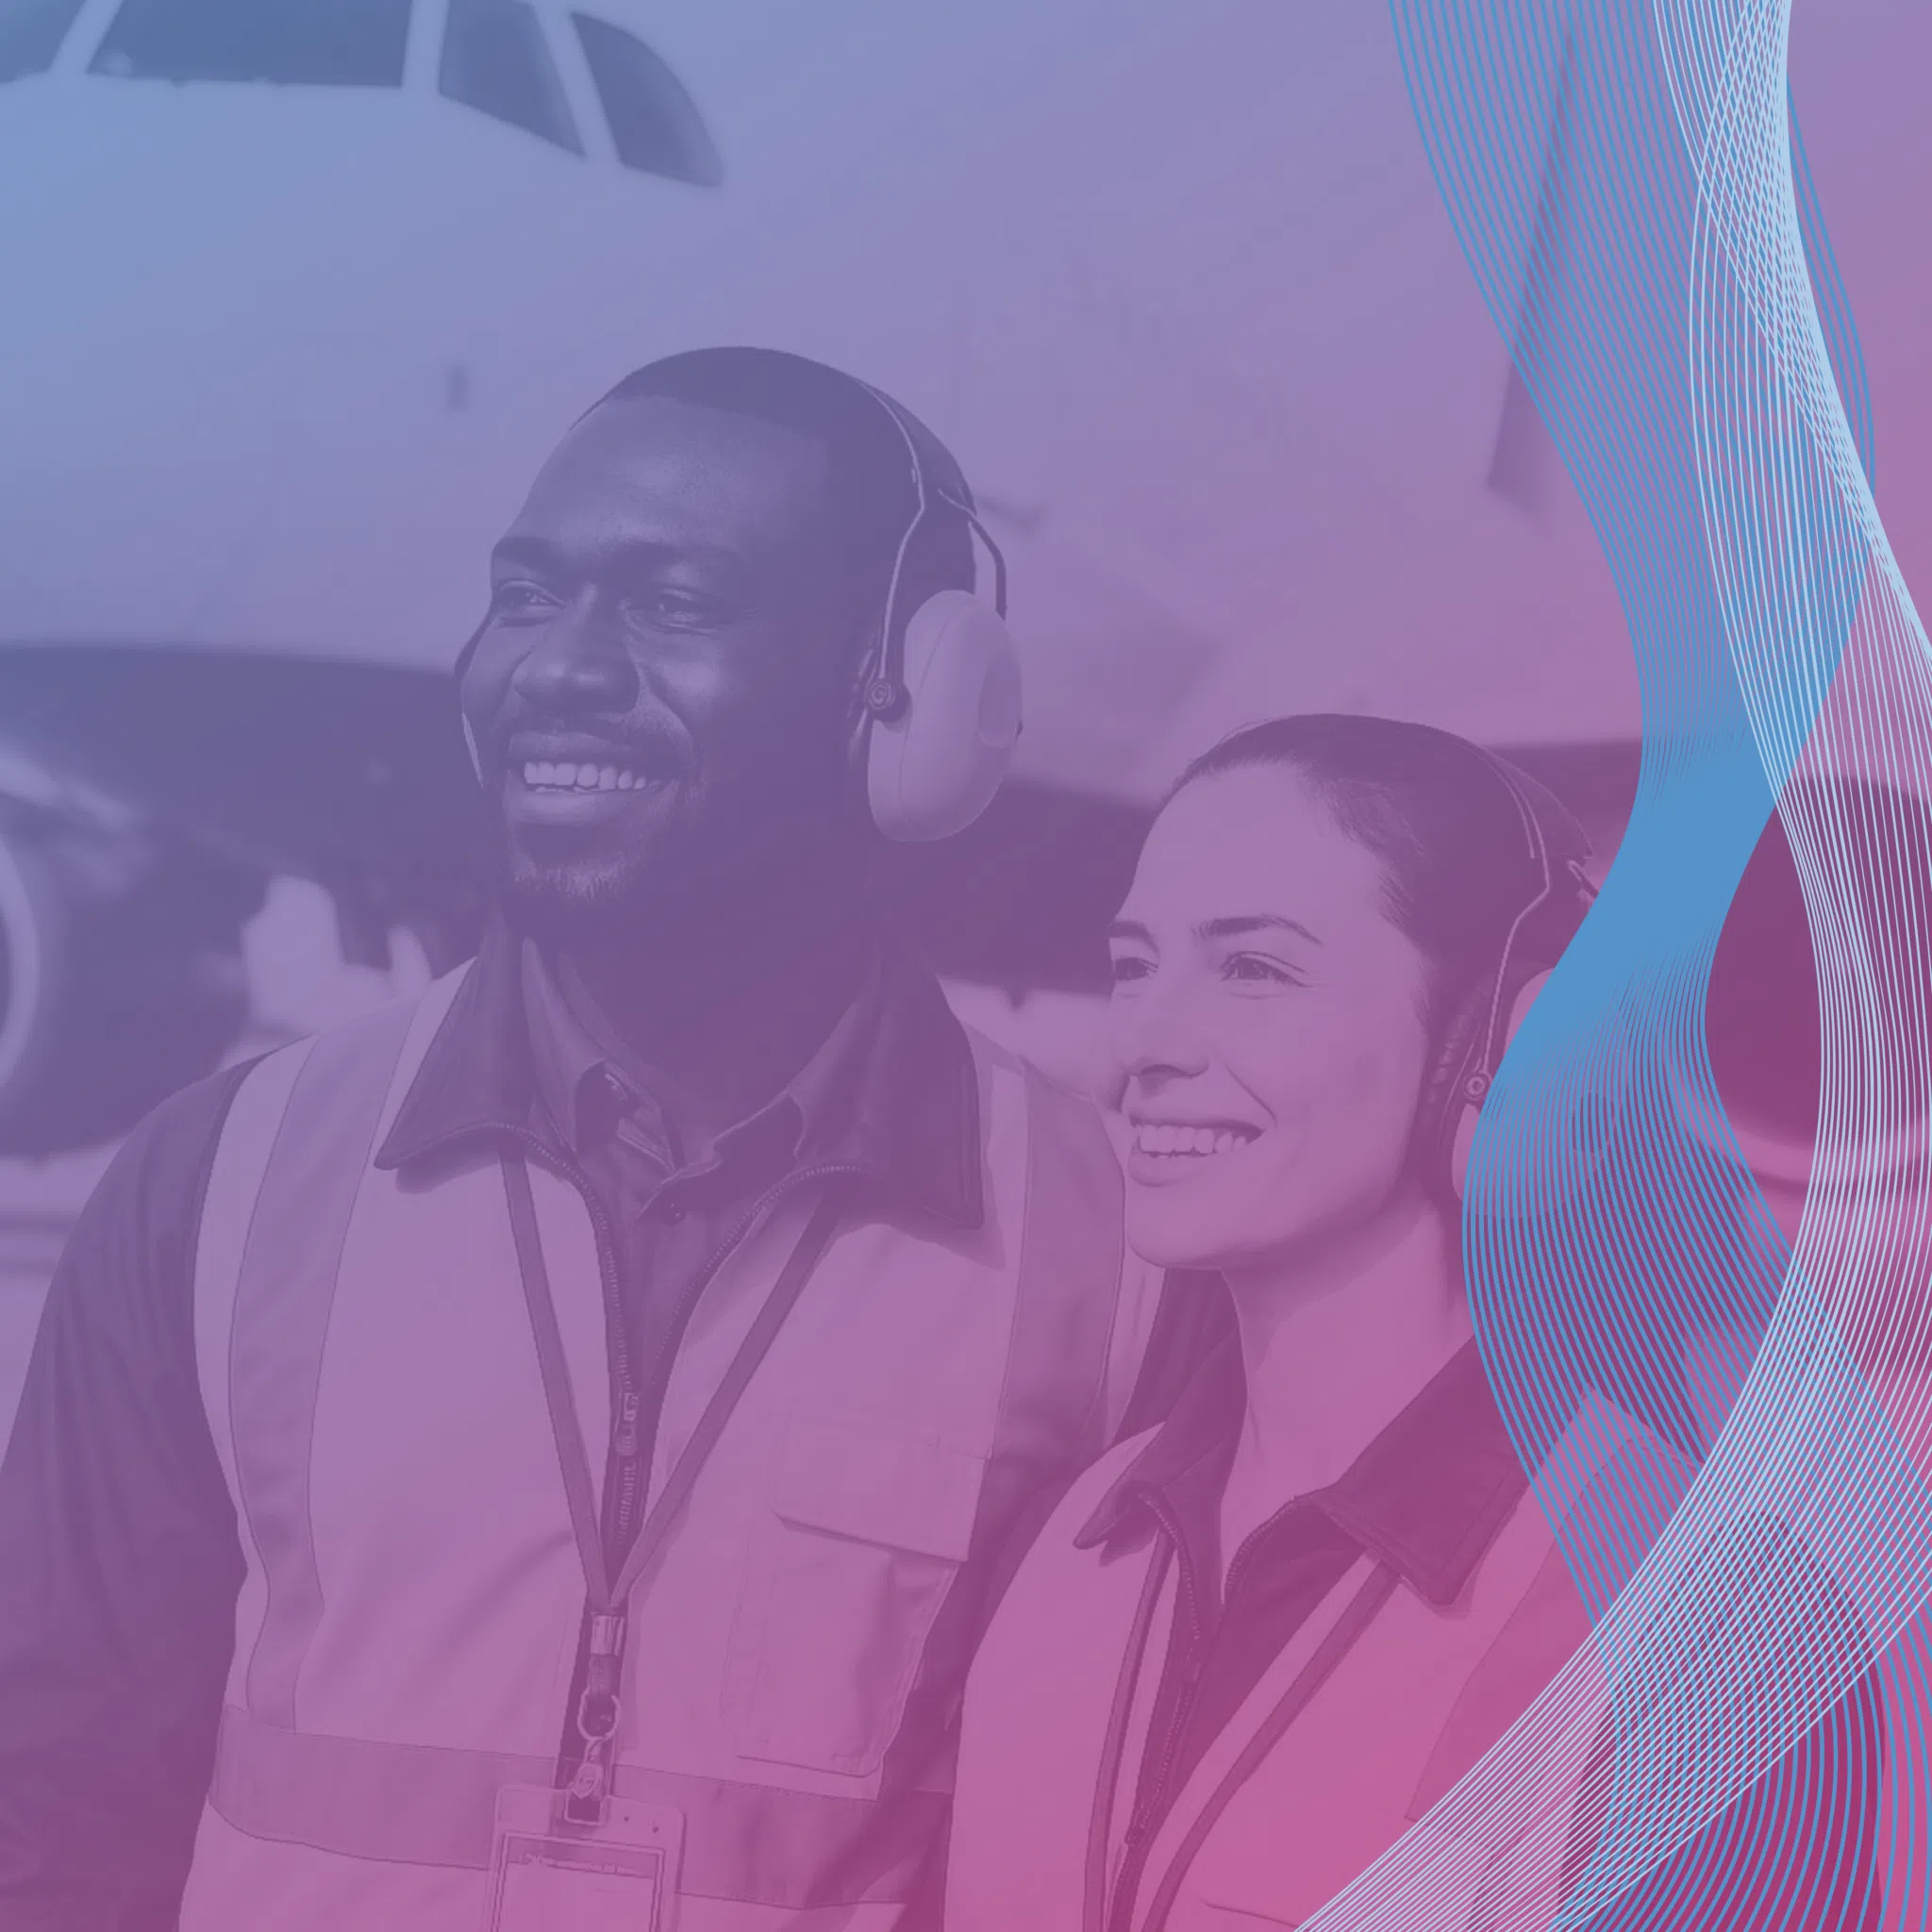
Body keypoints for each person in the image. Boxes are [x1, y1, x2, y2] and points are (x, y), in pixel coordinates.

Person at [0, 348, 1159, 1930]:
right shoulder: (217, 1185)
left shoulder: (1117, 1254)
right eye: (529, 597)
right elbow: (52, 1814)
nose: (556, 668)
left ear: (906, 690)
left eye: (673, 605)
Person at [947, 714, 1884, 1932]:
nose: (1147, 1044)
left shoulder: (1688, 1617)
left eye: (1254, 969)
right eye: (1134, 965)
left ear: (1510, 1039)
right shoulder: (1087, 1538)